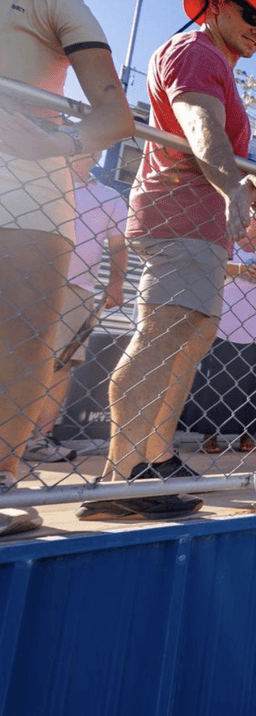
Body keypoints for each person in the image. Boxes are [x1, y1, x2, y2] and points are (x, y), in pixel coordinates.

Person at [77, 0, 256, 521]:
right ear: (214, 7)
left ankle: (154, 459)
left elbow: (209, 142)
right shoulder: (196, 50)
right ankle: (119, 478)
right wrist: (234, 185)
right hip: (179, 220)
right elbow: (199, 126)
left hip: (198, 224)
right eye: (251, 16)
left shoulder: (213, 59)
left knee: (184, 341)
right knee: (161, 339)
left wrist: (243, 188)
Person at [0, 0, 133, 534]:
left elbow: (116, 116)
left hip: (32, 184)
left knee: (27, 337)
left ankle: (4, 476)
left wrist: (56, 144)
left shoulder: (59, 7)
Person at [22, 151, 128, 464]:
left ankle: (38, 439)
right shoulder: (42, 179)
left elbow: (118, 245)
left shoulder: (110, 197)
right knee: (16, 356)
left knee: (62, 364)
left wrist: (116, 283)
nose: (88, 150)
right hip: (30, 277)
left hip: (78, 289)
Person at [178, 217, 256, 453]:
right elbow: (212, 265)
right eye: (251, 216)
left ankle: (247, 434)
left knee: (253, 382)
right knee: (219, 379)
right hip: (228, 320)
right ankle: (211, 434)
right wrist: (242, 270)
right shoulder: (228, 240)